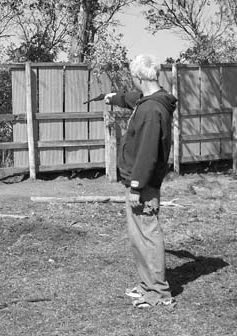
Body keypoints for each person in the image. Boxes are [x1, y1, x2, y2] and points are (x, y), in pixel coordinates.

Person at [104, 54, 178, 309]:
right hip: (142, 183)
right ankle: (147, 285)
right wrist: (113, 98)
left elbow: (147, 153)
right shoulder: (152, 100)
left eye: (132, 78)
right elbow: (132, 99)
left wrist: (136, 186)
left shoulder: (151, 110)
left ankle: (157, 293)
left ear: (138, 77)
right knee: (140, 236)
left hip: (143, 185)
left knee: (147, 235)